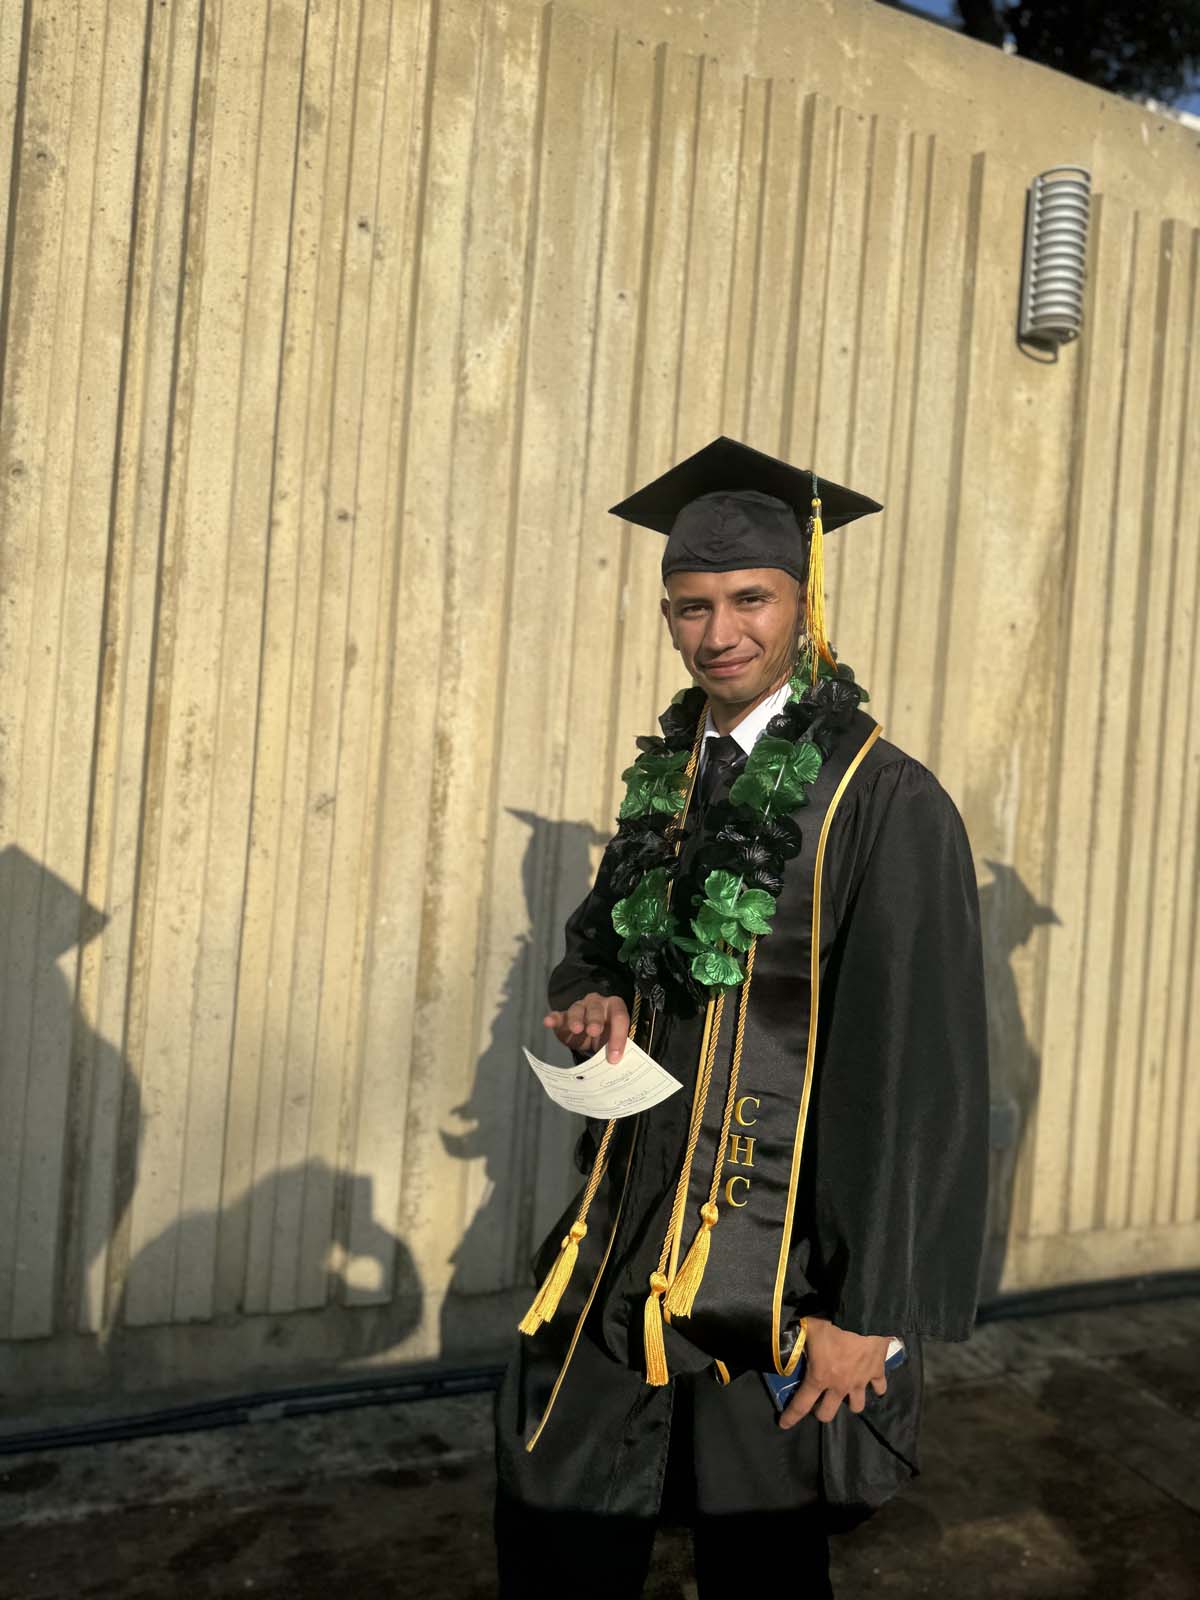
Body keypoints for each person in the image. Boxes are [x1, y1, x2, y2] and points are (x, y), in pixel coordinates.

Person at [494, 435, 989, 1598]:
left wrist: (868, 1311)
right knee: (554, 1507)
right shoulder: (667, 785)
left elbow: (916, 1078)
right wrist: (591, 999)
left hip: (782, 1266)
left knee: (761, 1556)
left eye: (749, 598)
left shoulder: (883, 802)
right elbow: (592, 947)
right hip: (624, 1233)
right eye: (690, 605)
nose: (719, 632)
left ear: (804, 604)